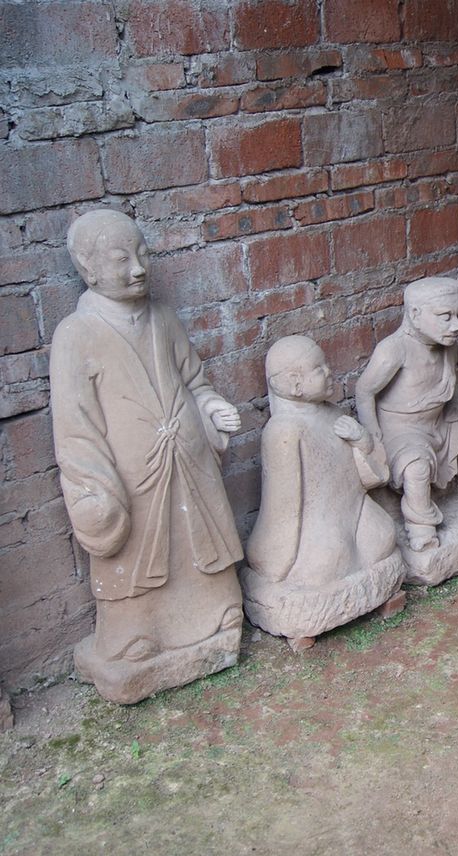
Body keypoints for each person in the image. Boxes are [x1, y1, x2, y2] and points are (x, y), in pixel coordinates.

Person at [50, 209, 244, 703]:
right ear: (89, 269)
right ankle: (137, 635)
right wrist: (94, 490)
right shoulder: (76, 335)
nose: (138, 268)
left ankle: (213, 615)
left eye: (142, 255)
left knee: (201, 545)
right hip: (132, 480)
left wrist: (210, 406)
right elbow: (76, 428)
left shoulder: (162, 318)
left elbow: (194, 380)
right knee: (137, 553)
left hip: (189, 462)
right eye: (121, 259)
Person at [243, 336, 406, 648]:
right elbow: (284, 507)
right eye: (319, 369)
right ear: (295, 384)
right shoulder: (283, 432)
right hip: (318, 527)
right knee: (327, 565)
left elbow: (368, 478)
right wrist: (275, 560)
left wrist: (362, 440)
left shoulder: (334, 414)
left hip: (353, 510)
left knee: (383, 537)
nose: (330, 372)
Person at [356, 278, 458, 552]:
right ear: (415, 315)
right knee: (416, 467)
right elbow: (365, 391)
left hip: (439, 421)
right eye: (445, 316)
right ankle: (420, 523)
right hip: (402, 429)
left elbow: (448, 385)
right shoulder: (394, 350)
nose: (457, 325)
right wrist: (374, 436)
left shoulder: (447, 342)